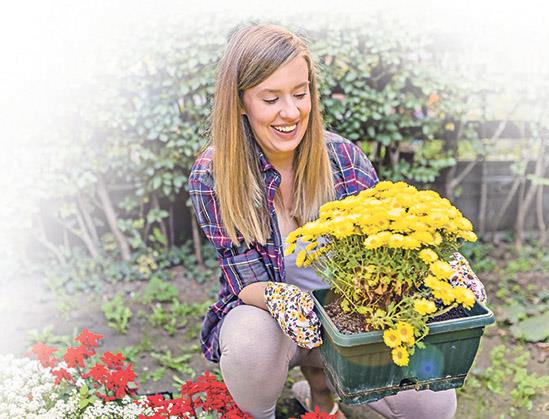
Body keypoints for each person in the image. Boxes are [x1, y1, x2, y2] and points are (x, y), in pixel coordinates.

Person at [188, 23, 458, 419]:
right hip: (273, 327)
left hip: (351, 319)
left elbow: (386, 248)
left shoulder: (343, 159)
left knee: (432, 405)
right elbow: (243, 279)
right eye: (271, 98)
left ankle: (323, 389)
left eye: (300, 94)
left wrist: (440, 267)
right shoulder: (214, 174)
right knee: (249, 339)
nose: (291, 112)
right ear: (241, 101)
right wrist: (282, 299)